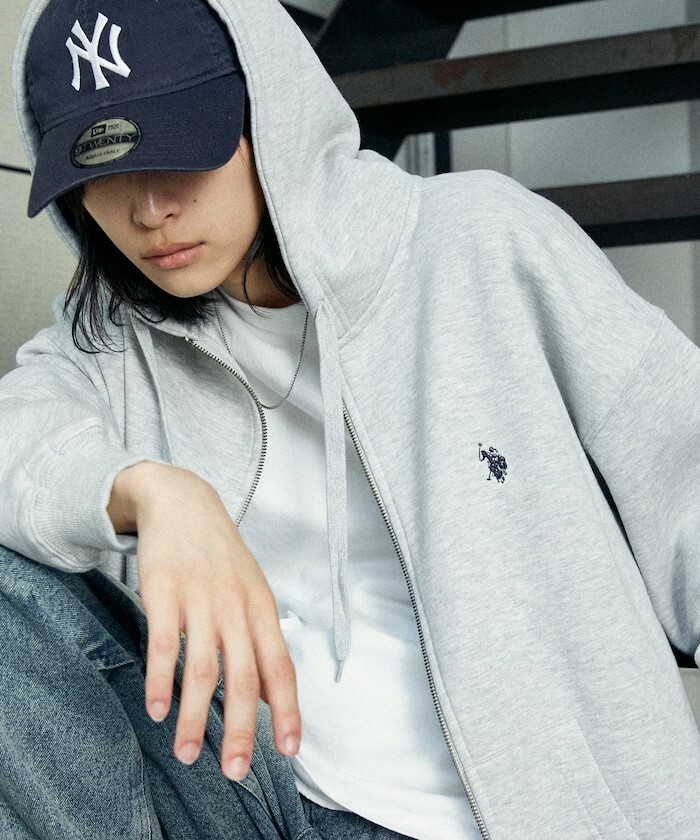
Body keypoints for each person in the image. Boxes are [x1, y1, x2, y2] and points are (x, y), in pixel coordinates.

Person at [3, 0, 700, 837]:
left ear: (270, 113)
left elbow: (685, 470)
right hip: (252, 786)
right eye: (103, 168)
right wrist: (151, 491)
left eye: (182, 150)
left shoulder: (478, 243)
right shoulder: (110, 340)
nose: (149, 208)